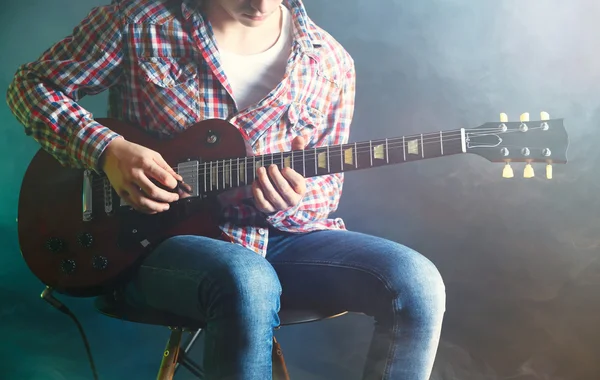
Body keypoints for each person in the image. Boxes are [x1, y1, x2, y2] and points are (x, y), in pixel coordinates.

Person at [6, 0, 446, 379]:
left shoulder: (329, 63)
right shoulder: (141, 23)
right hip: (152, 241)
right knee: (247, 280)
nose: (259, 4)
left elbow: (325, 191)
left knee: (416, 282)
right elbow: (31, 87)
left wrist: (288, 201)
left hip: (275, 242)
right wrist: (108, 151)